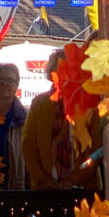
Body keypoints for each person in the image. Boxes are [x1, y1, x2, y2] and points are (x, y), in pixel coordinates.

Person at [22, 49, 101, 191]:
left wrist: (74, 179)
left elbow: (95, 150)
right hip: (45, 191)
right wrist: (43, 180)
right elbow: (28, 147)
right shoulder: (38, 104)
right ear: (51, 74)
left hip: (83, 191)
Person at [0, 64, 27, 190]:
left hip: (16, 191)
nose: (5, 84)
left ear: (17, 85)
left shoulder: (27, 119)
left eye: (10, 81)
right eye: (0, 80)